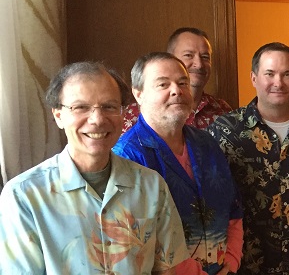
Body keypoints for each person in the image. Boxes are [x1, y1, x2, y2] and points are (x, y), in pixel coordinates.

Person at [0, 62, 188, 273]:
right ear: (58, 115)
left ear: (123, 113)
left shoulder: (151, 186)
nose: (97, 119)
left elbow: (166, 270)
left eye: (109, 107)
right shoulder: (24, 195)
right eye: (80, 107)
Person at [207, 42, 289, 274]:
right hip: (243, 264)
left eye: (286, 74)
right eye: (270, 74)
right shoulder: (225, 131)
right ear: (254, 78)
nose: (278, 82)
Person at [113, 52, 244, 274]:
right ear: (139, 94)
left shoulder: (207, 143)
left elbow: (234, 208)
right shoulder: (128, 156)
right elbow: (135, 241)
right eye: (163, 84)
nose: (177, 90)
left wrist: (231, 261)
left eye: (183, 82)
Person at [122, 27, 233, 131]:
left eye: (205, 57)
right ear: (170, 58)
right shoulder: (130, 117)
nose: (199, 65)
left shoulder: (222, 110)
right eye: (188, 55)